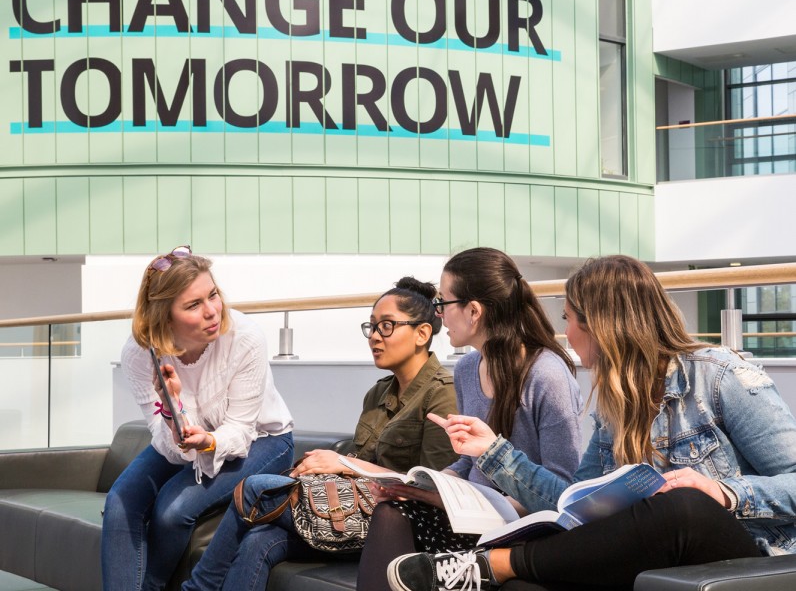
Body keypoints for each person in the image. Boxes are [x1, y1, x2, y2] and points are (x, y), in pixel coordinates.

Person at [387, 254, 796, 591]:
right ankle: (496, 567)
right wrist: (493, 452)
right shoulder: (613, 407)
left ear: (600, 324)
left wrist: (723, 492)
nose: (564, 333)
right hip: (656, 554)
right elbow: (568, 503)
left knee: (684, 505)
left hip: (751, 555)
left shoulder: (719, 376)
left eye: (568, 319)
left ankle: (492, 564)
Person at [181, 276, 459, 590]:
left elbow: (432, 486)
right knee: (260, 540)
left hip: (402, 523)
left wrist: (344, 463)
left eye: (387, 326)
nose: (375, 337)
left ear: (422, 333)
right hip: (354, 510)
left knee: (254, 488)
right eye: (372, 327)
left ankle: (197, 587)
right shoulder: (377, 394)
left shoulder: (443, 394)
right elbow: (358, 474)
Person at [357, 247, 583, 591]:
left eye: (443, 304)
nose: (439, 316)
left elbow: (563, 489)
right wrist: (427, 487)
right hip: (471, 516)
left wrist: (496, 502)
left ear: (473, 311)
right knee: (391, 511)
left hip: (521, 525)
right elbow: (467, 462)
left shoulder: (546, 375)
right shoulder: (465, 369)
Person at [101, 246, 294, 591]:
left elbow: (239, 430)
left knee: (172, 511)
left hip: (261, 440)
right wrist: (174, 412)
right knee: (120, 500)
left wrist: (208, 441)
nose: (212, 312)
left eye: (213, 295)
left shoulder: (245, 338)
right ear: (165, 316)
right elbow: (168, 445)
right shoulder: (138, 353)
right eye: (193, 305)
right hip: (185, 439)